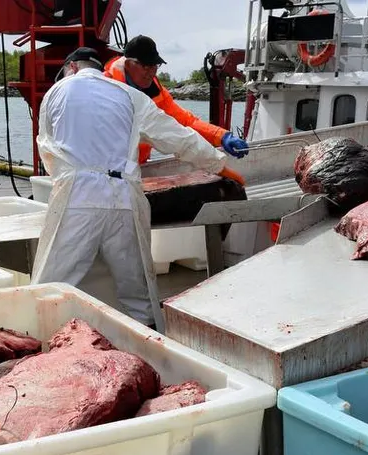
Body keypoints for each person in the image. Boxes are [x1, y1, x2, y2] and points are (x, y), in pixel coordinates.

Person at [31, 47, 231, 331]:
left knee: (51, 285)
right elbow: (177, 136)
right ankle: (146, 346)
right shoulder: (130, 95)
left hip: (76, 196)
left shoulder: (56, 92)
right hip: (124, 199)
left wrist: (68, 180)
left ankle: (40, 343)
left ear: (72, 67)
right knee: (137, 291)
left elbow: (47, 149)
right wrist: (217, 161)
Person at [104, 35, 249, 184]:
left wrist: (222, 135)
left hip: (138, 168)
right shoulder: (105, 89)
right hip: (108, 173)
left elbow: (185, 122)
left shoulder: (156, 92)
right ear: (128, 64)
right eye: (146, 66)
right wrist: (218, 166)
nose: (151, 72)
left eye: (155, 66)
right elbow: (178, 140)